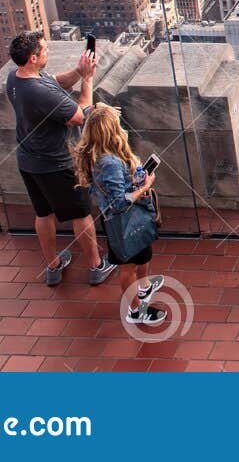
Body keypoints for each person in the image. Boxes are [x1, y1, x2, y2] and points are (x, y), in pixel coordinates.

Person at [5, 31, 116, 287]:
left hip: (28, 160)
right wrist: (88, 79)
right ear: (33, 58)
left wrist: (78, 71)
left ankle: (53, 265)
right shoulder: (38, 93)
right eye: (44, 50)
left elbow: (56, 82)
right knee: (81, 213)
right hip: (56, 163)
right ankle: (96, 266)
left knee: (43, 213)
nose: (48, 52)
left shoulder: (16, 78)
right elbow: (82, 115)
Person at [74, 104, 167, 326]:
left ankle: (143, 288)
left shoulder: (96, 156)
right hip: (123, 221)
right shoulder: (110, 163)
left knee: (141, 255)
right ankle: (136, 310)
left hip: (119, 220)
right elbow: (118, 202)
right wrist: (144, 188)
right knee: (128, 267)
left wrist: (136, 180)